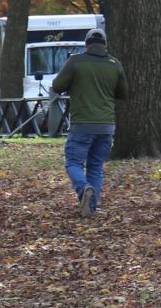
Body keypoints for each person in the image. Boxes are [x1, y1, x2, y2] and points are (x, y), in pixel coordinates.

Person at [51, 29, 127, 215]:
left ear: (87, 44)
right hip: (106, 125)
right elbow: (123, 93)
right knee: (95, 166)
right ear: (105, 44)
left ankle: (83, 188)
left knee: (74, 163)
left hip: (82, 123)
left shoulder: (76, 61)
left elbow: (57, 86)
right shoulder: (114, 64)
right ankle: (91, 208)